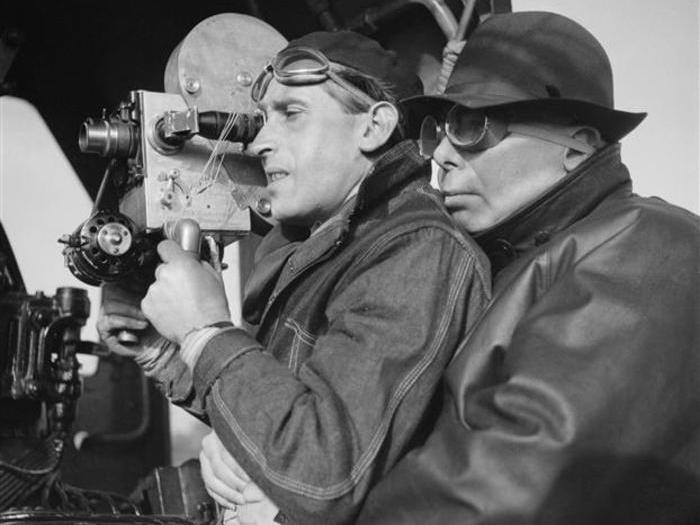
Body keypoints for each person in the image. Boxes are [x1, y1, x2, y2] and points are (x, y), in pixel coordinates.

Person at [98, 31, 490, 524]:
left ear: (373, 127)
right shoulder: (315, 243)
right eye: (263, 118)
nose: (261, 140)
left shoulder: (417, 252)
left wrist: (206, 331)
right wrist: (167, 349)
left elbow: (321, 470)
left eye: (291, 114)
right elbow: (275, 412)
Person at [356, 11, 700, 524]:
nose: (442, 155)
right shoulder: (497, 267)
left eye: (471, 125)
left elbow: (513, 487)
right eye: (438, 131)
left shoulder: (651, 243)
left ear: (577, 144)